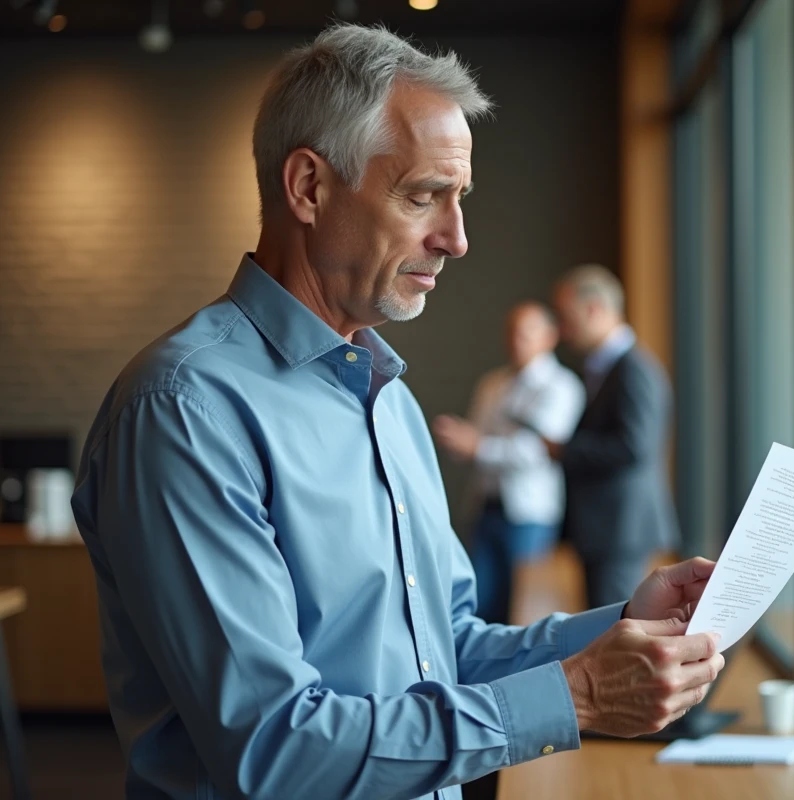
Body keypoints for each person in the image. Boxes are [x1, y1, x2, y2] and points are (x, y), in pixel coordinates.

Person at [70, 25, 723, 800]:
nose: (457, 238)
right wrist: (578, 695)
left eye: (459, 199)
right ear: (309, 187)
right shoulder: (183, 411)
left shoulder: (389, 401)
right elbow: (274, 752)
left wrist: (618, 631)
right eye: (423, 196)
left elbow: (444, 648)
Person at [432, 303, 585, 624]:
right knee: (478, 604)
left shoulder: (561, 386)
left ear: (549, 337)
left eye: (526, 332)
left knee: (524, 609)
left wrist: (477, 447)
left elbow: (540, 451)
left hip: (529, 513)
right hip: (486, 507)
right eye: (512, 332)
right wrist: (460, 441)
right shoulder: (493, 384)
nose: (516, 340)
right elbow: (478, 437)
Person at [545, 265, 681, 609]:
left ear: (593, 309)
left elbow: (634, 446)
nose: (563, 329)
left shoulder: (634, 369)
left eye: (566, 316)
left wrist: (566, 450)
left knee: (615, 630)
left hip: (621, 527)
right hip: (608, 527)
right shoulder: (609, 367)